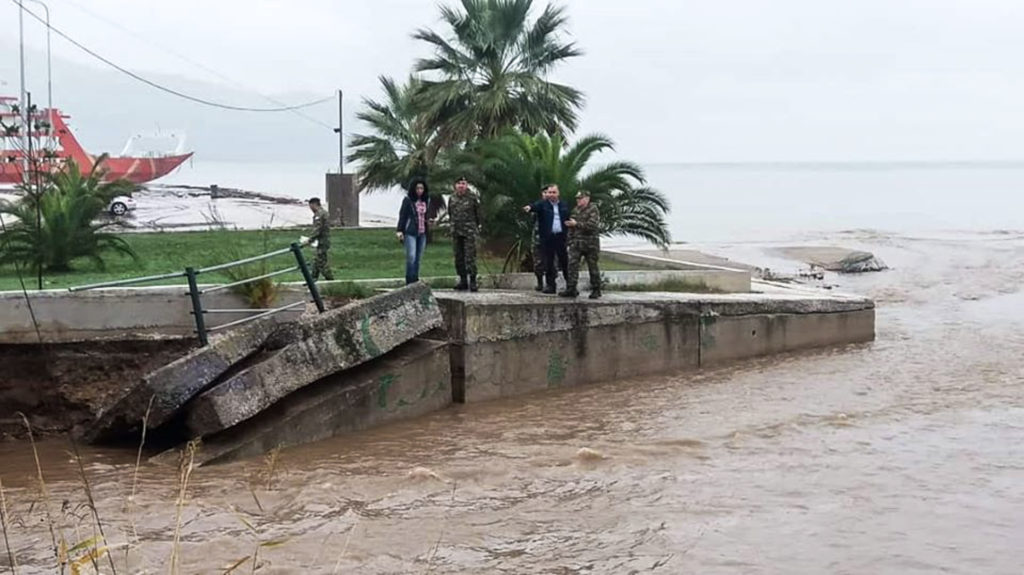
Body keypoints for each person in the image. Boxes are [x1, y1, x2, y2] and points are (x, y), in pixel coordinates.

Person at [523, 184, 570, 294]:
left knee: (565, 262)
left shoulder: (564, 205)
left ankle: (571, 286)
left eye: (554, 192)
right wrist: (529, 208)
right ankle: (550, 286)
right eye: (549, 192)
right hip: (548, 237)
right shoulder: (543, 204)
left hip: (561, 237)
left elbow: (569, 217)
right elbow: (534, 206)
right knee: (548, 262)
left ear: (558, 193)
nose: (551, 195)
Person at [562, 190, 602, 299]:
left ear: (587, 199)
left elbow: (591, 226)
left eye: (580, 198)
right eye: (577, 198)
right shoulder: (575, 210)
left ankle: (596, 289)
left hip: (590, 244)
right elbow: (571, 227)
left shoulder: (593, 209)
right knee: (572, 266)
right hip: (576, 244)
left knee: (592, 267)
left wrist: (577, 224)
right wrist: (569, 240)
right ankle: (571, 288)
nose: (578, 200)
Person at [447, 176, 482, 291]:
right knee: (458, 257)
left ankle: (472, 281)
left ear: (467, 185)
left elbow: (478, 214)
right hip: (456, 231)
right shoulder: (452, 198)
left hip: (469, 232)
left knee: (470, 257)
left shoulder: (472, 198)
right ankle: (463, 280)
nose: (461, 186)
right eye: (459, 183)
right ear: (455, 185)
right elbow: (450, 213)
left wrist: (478, 226)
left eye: (463, 183)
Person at [396, 179, 432, 285]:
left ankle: (415, 279)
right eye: (417, 188)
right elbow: (403, 215)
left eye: (421, 188)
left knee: (418, 257)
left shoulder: (426, 201)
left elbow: (427, 215)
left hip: (422, 232)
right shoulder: (408, 200)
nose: (419, 190)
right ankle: (409, 280)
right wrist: (400, 230)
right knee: (411, 256)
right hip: (410, 231)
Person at [305, 197, 333, 281]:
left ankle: (330, 279)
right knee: (316, 261)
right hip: (324, 240)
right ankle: (313, 278)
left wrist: (310, 239)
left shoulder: (319, 214)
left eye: (310, 206)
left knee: (321, 261)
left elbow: (318, 229)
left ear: (314, 204)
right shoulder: (324, 213)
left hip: (322, 241)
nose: (310, 209)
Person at [531, 186, 546, 291]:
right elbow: (532, 219)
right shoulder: (537, 206)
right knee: (537, 262)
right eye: (544, 193)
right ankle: (540, 283)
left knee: (551, 263)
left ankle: (551, 284)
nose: (546, 194)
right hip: (537, 238)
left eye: (548, 192)